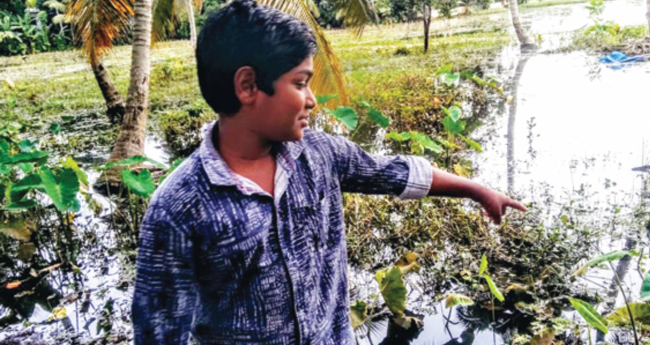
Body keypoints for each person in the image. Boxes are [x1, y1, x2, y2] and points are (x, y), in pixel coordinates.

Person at [130, 0, 527, 344]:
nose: (312, 100)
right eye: (300, 83)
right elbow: (160, 331)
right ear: (248, 86)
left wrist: (475, 190)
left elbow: (395, 173)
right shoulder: (179, 208)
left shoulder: (320, 154)